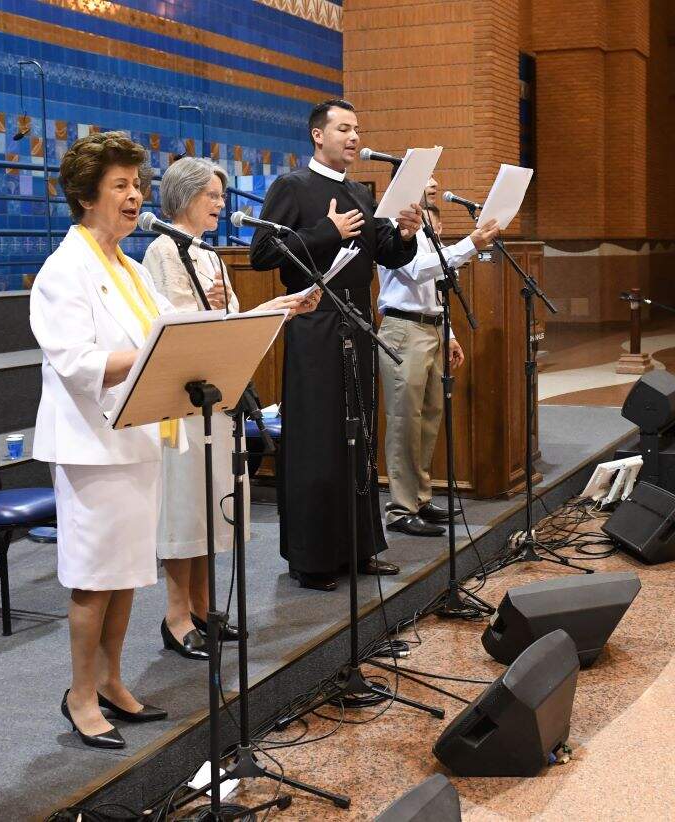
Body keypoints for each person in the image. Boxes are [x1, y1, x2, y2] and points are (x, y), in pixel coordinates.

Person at [30, 131, 176, 749]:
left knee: (125, 573)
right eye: (120, 185)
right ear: (87, 197)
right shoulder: (63, 271)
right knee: (94, 578)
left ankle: (112, 679)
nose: (134, 195)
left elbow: (170, 330)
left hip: (136, 438)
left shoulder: (131, 269)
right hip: (91, 446)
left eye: (137, 185)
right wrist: (151, 354)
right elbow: (76, 360)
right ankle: (80, 694)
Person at [142, 156, 320, 660]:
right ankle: (176, 615)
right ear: (184, 196)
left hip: (217, 398)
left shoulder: (211, 255)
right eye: (212, 195)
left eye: (221, 196)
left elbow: (231, 324)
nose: (221, 204)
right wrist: (216, 307)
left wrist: (280, 308)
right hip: (181, 403)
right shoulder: (162, 250)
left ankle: (203, 609)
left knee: (209, 506)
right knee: (185, 509)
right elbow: (170, 328)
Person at [249, 99, 423, 591]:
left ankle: (359, 548)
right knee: (318, 441)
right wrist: (327, 231)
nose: (353, 137)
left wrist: (405, 234)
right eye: (343, 128)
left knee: (359, 437)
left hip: (357, 323)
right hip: (314, 325)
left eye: (357, 128)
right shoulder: (292, 187)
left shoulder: (359, 192)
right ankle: (313, 559)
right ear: (317, 135)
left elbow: (385, 253)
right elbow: (262, 253)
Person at [378, 186, 500, 536]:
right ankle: (400, 508)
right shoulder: (393, 228)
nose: (433, 186)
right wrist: (471, 244)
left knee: (429, 419)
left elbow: (437, 288)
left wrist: (449, 334)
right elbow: (417, 270)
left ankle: (419, 498)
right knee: (404, 420)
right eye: (428, 180)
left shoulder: (428, 230)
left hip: (431, 328)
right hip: (403, 328)